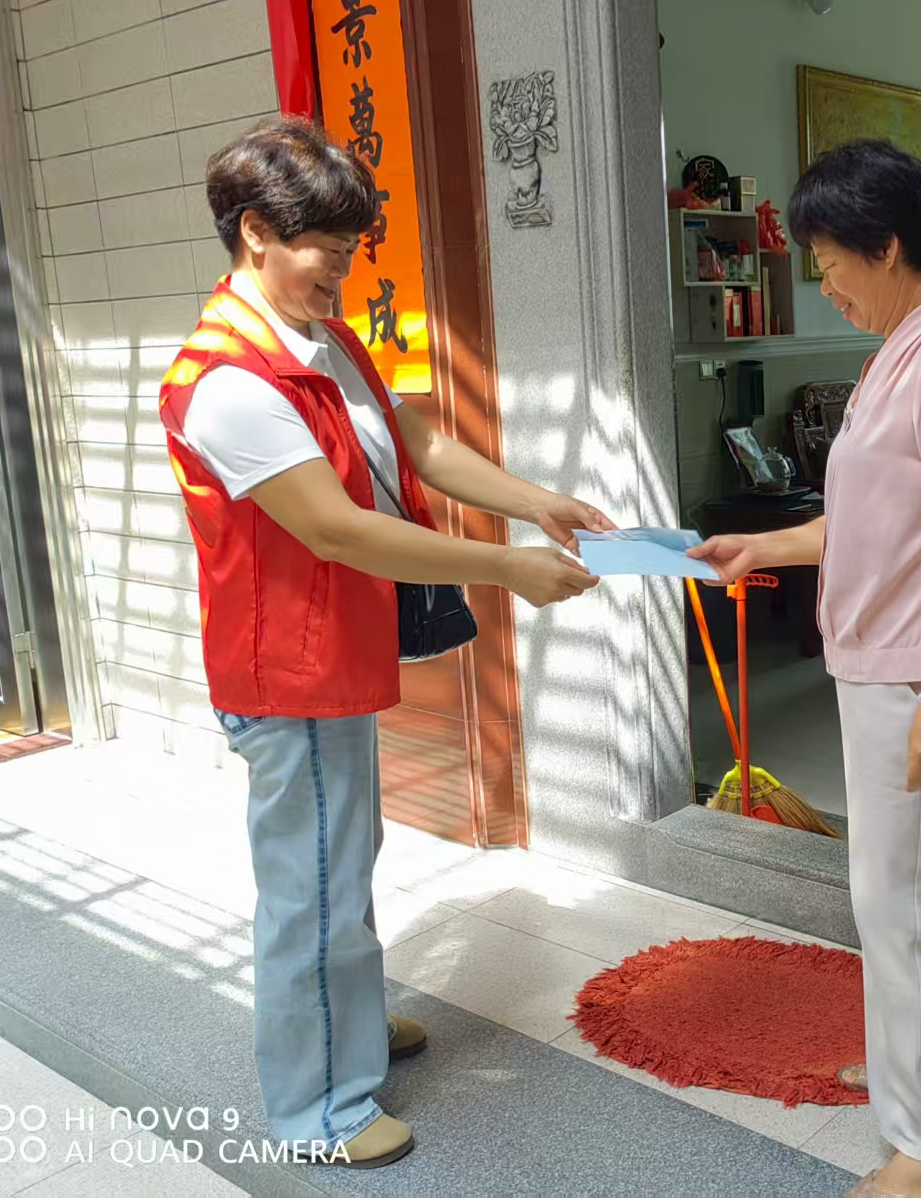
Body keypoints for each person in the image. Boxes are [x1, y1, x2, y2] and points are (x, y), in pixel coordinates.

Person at [158, 118, 609, 1168]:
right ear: (256, 232)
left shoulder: (318, 340)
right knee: (309, 887)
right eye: (328, 251)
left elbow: (420, 444)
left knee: (339, 860)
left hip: (332, 655)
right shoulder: (228, 381)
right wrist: (505, 569)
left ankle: (346, 1022)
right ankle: (318, 1108)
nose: (343, 273)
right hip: (289, 674)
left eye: (352, 251)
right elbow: (337, 528)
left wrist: (535, 502)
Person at [690, 140, 921, 1198]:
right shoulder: (898, 353)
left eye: (830, 261)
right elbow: (869, 521)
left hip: (918, 668)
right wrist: (757, 545)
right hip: (894, 662)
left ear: (885, 247)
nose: (823, 284)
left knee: (895, 897)